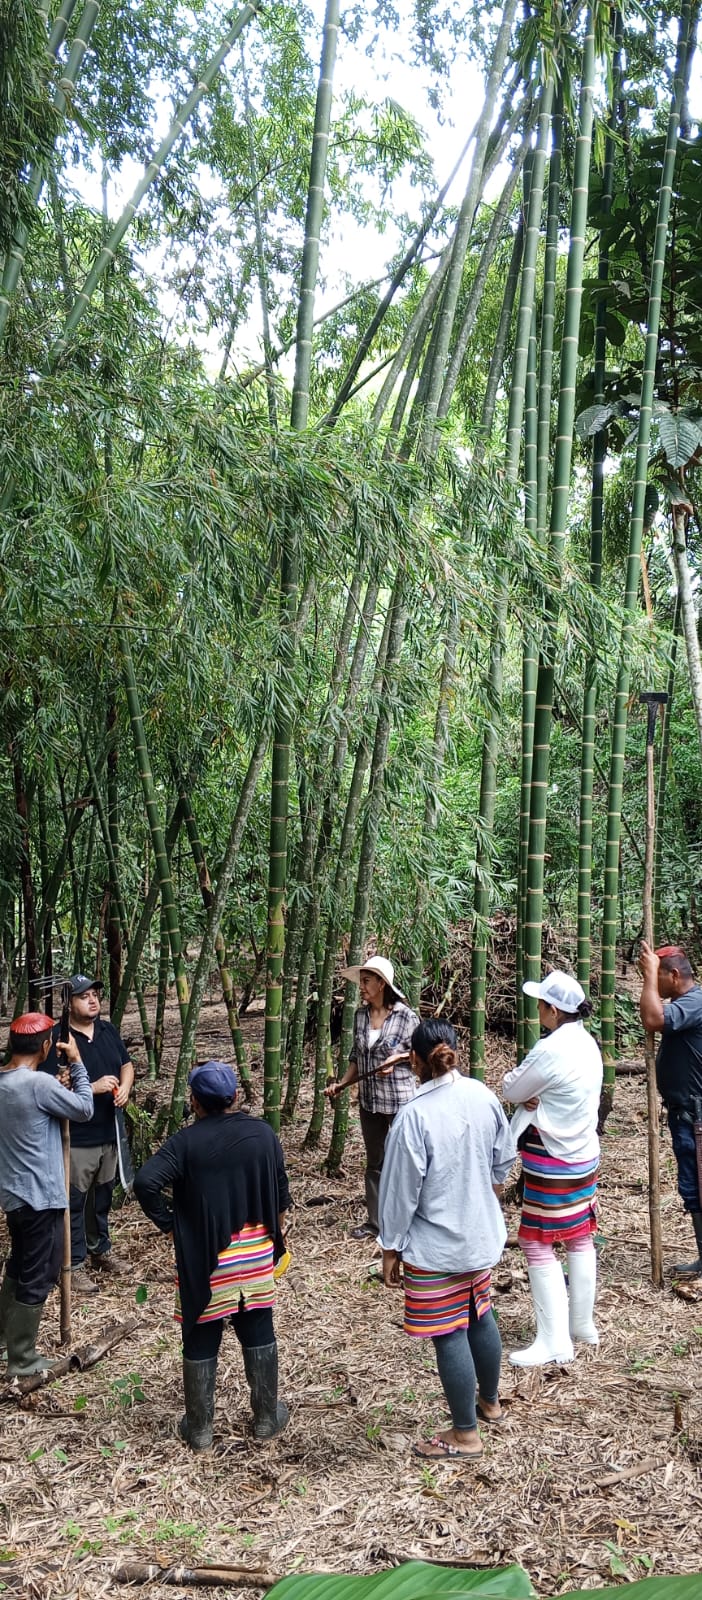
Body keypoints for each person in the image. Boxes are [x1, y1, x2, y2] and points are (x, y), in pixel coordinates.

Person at [134, 1061, 291, 1451]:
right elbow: (281, 1195)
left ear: (194, 1101)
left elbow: (145, 1182)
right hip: (254, 1255)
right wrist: (278, 1236)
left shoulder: (184, 1143)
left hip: (206, 1260)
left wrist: (170, 1225)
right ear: (235, 1096)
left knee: (201, 1333)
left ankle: (200, 1430)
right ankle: (266, 1420)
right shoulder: (263, 1134)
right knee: (258, 1328)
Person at [378, 1018, 516, 1461]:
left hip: (436, 1247)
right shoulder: (483, 1095)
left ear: (415, 1060)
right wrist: (488, 1189)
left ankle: (465, 1435)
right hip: (481, 1235)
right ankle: (490, 1403)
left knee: (448, 1331)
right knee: (480, 1313)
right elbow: (504, 1154)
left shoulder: (413, 1115)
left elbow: (400, 1191)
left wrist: (390, 1245)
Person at [503, 970, 603, 1367]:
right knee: (579, 1236)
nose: (538, 1010)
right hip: (584, 1153)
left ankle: (554, 1341)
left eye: (541, 1004)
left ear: (554, 1010)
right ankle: (582, 1325)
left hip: (553, 1157)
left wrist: (531, 1094)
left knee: (535, 1242)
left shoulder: (551, 1049)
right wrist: (538, 1093)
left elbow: (512, 1088)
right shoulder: (587, 1043)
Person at [0, 1012, 93, 1376]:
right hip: (41, 1196)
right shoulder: (38, 1085)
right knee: (39, 1273)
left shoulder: (7, 1081)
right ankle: (22, 1358)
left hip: (14, 1196)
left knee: (18, 1266)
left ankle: (4, 1341)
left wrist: (56, 1086)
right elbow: (84, 1108)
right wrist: (78, 1064)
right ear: (44, 1046)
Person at [43, 975, 135, 1296]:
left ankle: (100, 1249)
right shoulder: (58, 1038)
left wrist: (125, 1087)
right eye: (84, 996)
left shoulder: (107, 1030)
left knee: (101, 1197)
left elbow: (127, 1065)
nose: (93, 1000)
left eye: (95, 994)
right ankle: (72, 1264)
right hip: (76, 1136)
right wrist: (91, 1088)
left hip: (108, 1131)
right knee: (73, 1202)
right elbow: (49, 1087)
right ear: (68, 1003)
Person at [325, 956, 419, 1240]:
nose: (361, 987)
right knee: (375, 1162)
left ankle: (412, 1220)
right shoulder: (360, 1016)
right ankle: (375, 1222)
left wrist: (398, 1059)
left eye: (366, 981)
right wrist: (342, 1084)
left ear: (382, 984)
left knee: (407, 1160)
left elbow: (422, 1054)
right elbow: (357, 1056)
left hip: (400, 1101)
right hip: (370, 1101)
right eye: (361, 981)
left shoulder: (405, 1016)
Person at [639, 941, 702, 1274]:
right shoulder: (686, 1003)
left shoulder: (695, 1002)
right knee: (693, 1188)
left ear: (674, 975)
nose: (652, 984)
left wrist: (650, 974)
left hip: (696, 1117)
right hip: (686, 1115)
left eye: (657, 977)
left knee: (698, 1187)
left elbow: (652, 1018)